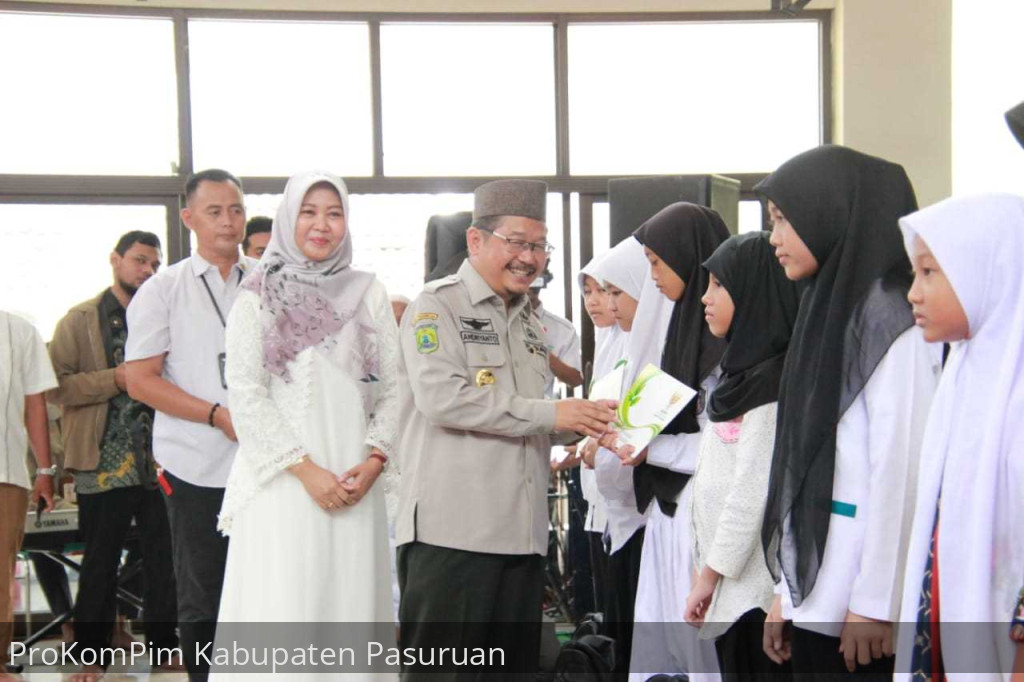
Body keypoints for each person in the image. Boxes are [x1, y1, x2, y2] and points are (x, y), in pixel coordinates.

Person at [396, 179, 618, 680]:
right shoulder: (437, 307)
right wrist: (553, 416)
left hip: (520, 539)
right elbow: (445, 400)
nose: (530, 257)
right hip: (454, 538)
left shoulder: (529, 323)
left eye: (539, 245)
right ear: (476, 241)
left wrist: (588, 421)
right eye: (516, 242)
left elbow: (530, 416)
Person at [756, 145, 941, 680]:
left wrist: (877, 601)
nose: (774, 239)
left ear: (830, 212)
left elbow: (900, 472)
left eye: (784, 220)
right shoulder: (824, 307)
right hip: (818, 591)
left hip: (860, 605)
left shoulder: (891, 316)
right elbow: (799, 465)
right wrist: (786, 594)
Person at [213, 170, 398, 678]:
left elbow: (395, 387)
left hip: (355, 485)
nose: (322, 225)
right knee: (287, 611)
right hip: (284, 486)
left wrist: (376, 459)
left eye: (334, 213)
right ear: (288, 218)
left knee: (349, 616)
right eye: (310, 213)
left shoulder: (369, 293)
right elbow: (246, 395)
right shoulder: (257, 295)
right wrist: (305, 470)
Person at [125, 168, 254, 681]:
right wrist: (215, 415)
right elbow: (139, 380)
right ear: (189, 218)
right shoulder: (163, 289)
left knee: (264, 584)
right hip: (196, 464)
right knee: (204, 594)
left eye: (237, 209)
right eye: (215, 211)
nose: (229, 221)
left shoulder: (270, 281)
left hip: (265, 464)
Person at [893, 193, 1024, 681]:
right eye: (914, 273)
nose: (913, 292)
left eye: (930, 272)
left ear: (990, 271)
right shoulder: (962, 374)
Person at [47, 230, 179, 680]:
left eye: (154, 265)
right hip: (101, 463)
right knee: (100, 559)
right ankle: (89, 657)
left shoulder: (163, 312)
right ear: (115, 260)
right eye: (140, 261)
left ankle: (165, 649)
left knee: (166, 558)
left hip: (160, 459)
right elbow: (57, 387)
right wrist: (115, 379)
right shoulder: (81, 318)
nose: (147, 271)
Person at [611, 203, 728, 682]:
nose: (652, 275)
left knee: (701, 656)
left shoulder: (727, 342)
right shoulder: (677, 331)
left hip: (705, 522)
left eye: (658, 262)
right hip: (665, 511)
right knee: (662, 655)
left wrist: (648, 448)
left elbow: (728, 447)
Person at [682, 232, 800, 682]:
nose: (705, 299)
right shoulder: (741, 374)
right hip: (732, 589)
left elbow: (751, 493)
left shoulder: (770, 385)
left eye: (718, 286)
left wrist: (709, 576)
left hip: (754, 591)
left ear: (753, 292)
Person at [586, 236, 651, 679]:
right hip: (617, 513)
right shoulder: (616, 343)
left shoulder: (654, 349)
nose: (606, 304)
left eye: (613, 291)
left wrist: (606, 442)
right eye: (596, 291)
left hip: (648, 516)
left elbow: (637, 438)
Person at [0, 311, 57, 682]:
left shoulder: (17, 330)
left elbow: (35, 404)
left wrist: (45, 470)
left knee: (1, 572)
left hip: (4, 472)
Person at [527, 271, 583, 397]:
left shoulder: (563, 329)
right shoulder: (492, 317)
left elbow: (575, 380)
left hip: (541, 411)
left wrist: (542, 350)